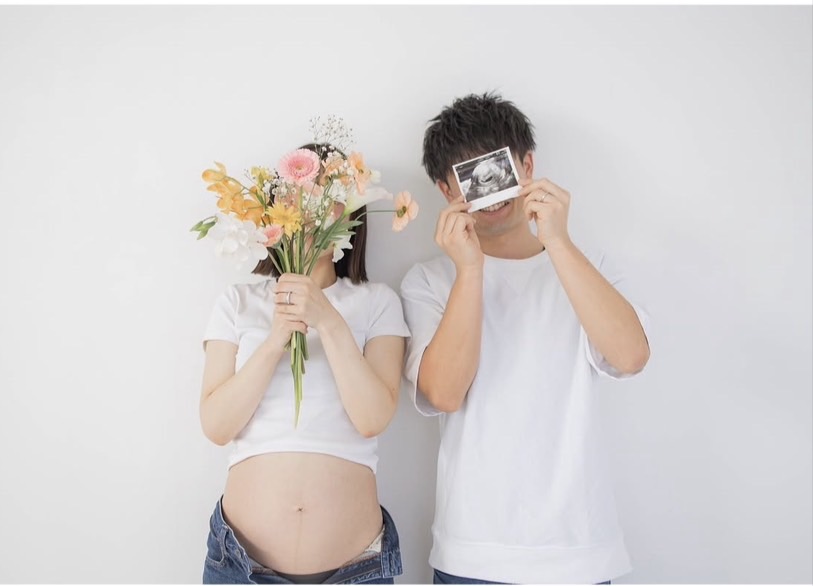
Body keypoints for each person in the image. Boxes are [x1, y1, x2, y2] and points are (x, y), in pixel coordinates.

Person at [400, 93, 652, 585]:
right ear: (446, 189)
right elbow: (444, 394)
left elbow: (631, 357)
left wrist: (557, 240)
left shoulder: (588, 266)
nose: (490, 192)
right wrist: (470, 269)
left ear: (527, 165)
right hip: (473, 552)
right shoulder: (429, 281)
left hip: (579, 550)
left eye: (498, 169)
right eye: (469, 177)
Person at [199, 144, 409, 584]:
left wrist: (327, 320)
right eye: (299, 200)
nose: (312, 216)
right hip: (241, 564)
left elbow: (372, 419)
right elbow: (217, 426)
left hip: (356, 569)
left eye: (326, 200)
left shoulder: (377, 302)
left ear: (350, 213)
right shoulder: (239, 301)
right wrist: (277, 337)